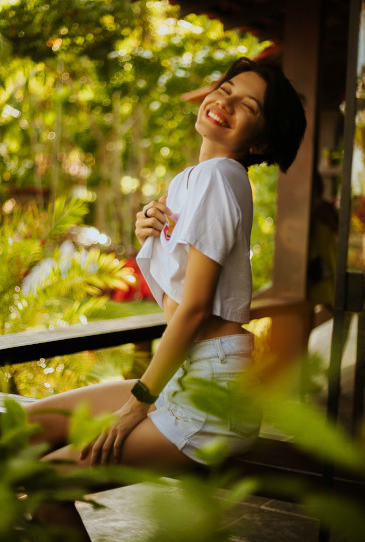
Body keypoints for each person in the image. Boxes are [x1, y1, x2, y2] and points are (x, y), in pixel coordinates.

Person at [24, 57, 306, 537]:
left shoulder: (222, 177)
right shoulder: (188, 181)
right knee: (26, 425)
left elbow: (196, 311)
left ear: (258, 142)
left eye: (248, 106)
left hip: (210, 394)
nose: (225, 102)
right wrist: (148, 240)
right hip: (190, 375)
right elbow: (177, 304)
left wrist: (137, 404)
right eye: (226, 88)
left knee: (47, 483)